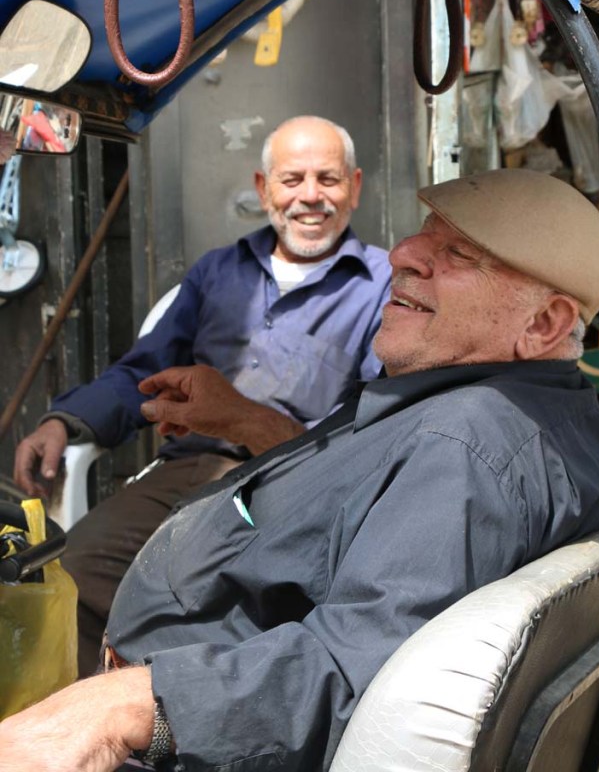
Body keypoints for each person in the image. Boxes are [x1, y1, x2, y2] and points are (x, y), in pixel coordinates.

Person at [0, 169, 599, 772]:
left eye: (458, 253)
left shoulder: (463, 446)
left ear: (544, 325)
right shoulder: (508, 407)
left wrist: (123, 706)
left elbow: (348, 667)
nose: (403, 253)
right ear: (263, 188)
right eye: (424, 232)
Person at [12, 114, 391, 676]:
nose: (310, 196)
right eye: (292, 180)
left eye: (327, 179)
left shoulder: (382, 285)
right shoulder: (218, 272)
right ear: (263, 189)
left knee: (192, 597)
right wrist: (64, 423)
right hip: (182, 475)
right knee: (73, 569)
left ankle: (162, 731)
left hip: (292, 484)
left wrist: (249, 422)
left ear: (355, 187)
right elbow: (143, 370)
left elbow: (372, 424)